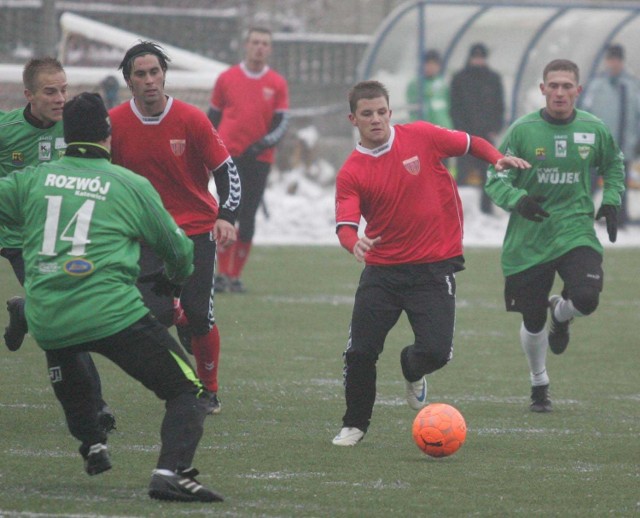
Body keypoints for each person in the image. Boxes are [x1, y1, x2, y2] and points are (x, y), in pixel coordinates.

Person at [0, 92, 224, 502]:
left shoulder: (33, 179)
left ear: (66, 136)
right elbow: (179, 250)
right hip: (110, 312)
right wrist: (174, 281)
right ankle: (170, 472)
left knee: (67, 353)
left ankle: (92, 442)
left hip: (50, 317)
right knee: (188, 391)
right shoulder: (129, 184)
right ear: (109, 134)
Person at [332, 80, 530, 446]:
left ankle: (413, 368)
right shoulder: (352, 172)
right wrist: (353, 243)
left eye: (381, 112)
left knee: (436, 352)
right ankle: (354, 424)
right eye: (367, 114)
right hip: (382, 272)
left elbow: (469, 142)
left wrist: (495, 157)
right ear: (353, 119)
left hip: (432, 268)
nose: (376, 119)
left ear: (390, 113)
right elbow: (345, 223)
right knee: (360, 351)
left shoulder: (422, 136)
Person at [485, 59, 625, 413]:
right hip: (529, 239)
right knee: (532, 320)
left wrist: (610, 200)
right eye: (554, 85)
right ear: (542, 89)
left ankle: (561, 315)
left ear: (578, 91)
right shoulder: (522, 131)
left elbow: (613, 163)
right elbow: (496, 177)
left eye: (567, 86)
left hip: (575, 229)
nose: (560, 92)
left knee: (588, 296)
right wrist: (519, 201)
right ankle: (539, 383)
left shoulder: (594, 129)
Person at [109, 41, 240, 416]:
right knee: (152, 319)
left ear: (164, 75)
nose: (149, 80)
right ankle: (183, 371)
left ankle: (209, 391)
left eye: (155, 72)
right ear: (129, 82)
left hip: (196, 231)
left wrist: (226, 216)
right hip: (146, 236)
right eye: (140, 74)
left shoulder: (192, 118)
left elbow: (227, 170)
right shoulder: (114, 123)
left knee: (200, 314)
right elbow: (104, 178)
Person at [0, 57, 115, 432]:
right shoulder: (5, 130)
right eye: (51, 91)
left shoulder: (76, 128)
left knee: (67, 316)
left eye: (64, 89)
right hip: (9, 231)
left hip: (44, 237)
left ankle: (95, 405)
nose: (60, 98)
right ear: (28, 95)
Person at [208, 26, 289, 293]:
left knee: (249, 216)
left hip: (259, 158)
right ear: (246, 45)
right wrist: (208, 151)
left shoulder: (277, 83)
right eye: (255, 42)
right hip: (228, 158)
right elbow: (212, 119)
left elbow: (281, 124)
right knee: (226, 212)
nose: (259, 47)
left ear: (270, 49)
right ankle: (221, 274)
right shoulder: (226, 78)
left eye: (265, 43)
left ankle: (235, 275)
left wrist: (261, 145)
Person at [581, 43, 640, 226]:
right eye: (610, 59)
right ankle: (581, 216)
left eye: (617, 60)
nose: (613, 63)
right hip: (597, 146)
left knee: (618, 186)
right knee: (589, 182)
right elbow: (584, 112)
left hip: (623, 145)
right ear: (606, 61)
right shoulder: (596, 85)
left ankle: (617, 220)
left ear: (621, 61)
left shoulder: (632, 85)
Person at [450, 43, 505, 214]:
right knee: (463, 174)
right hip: (465, 135)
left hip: (486, 135)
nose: (478, 61)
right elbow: (454, 106)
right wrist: (459, 129)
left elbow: (499, 105)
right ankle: (458, 211)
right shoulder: (459, 78)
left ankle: (486, 210)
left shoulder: (493, 78)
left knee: (487, 173)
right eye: (476, 57)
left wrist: (495, 128)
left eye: (481, 58)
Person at [405, 49, 453, 128]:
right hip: (424, 130)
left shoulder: (443, 84)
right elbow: (413, 109)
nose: (431, 67)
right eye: (428, 64)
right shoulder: (416, 84)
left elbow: (448, 106)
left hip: (444, 127)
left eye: (434, 64)